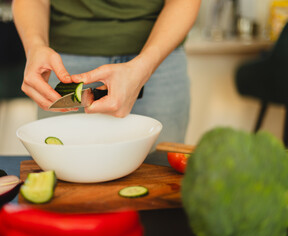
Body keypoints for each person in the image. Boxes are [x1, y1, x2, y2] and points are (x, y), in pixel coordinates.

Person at [12, 0, 201, 145]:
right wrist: (35, 46)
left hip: (160, 55)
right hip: (64, 61)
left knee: (160, 176)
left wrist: (144, 67)